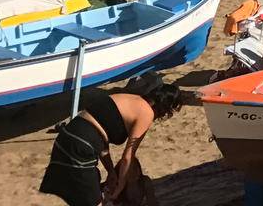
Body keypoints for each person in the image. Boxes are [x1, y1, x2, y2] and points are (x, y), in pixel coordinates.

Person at [39, 80, 182, 206]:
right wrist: (121, 186)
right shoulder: (146, 113)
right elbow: (128, 156)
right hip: (82, 145)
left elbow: (101, 140)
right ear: (165, 107)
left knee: (74, 195)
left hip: (67, 138)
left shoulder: (127, 98)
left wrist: (111, 172)